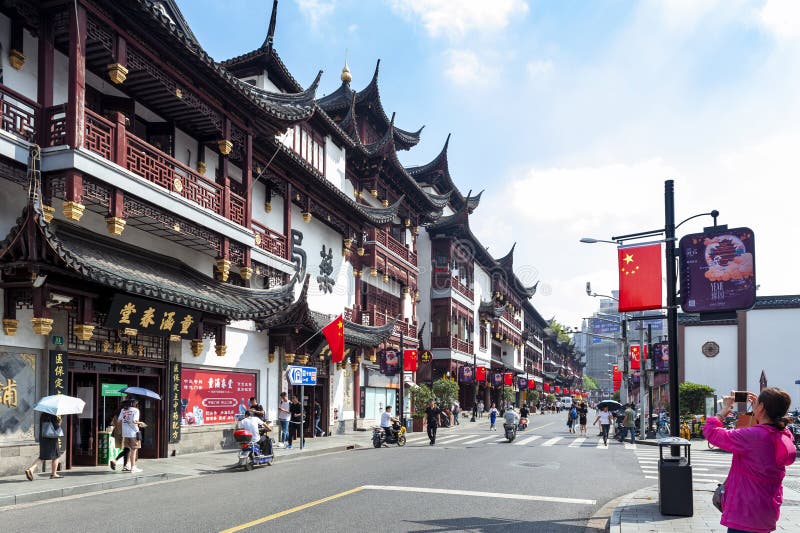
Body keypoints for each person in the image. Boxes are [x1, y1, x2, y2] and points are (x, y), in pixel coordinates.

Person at [704, 388, 796, 533]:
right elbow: (765, 427)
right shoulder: (785, 434)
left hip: (744, 513)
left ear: (762, 407)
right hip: (767, 511)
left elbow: (711, 432)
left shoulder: (753, 436)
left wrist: (724, 411)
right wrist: (758, 412)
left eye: (757, 403)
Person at [25, 412, 63, 480]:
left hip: (43, 437)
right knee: (56, 455)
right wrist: (59, 422)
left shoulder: (43, 414)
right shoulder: (53, 415)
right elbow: (56, 427)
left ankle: (31, 469)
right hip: (51, 438)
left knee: (43, 456)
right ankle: (54, 474)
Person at [119, 399, 143, 472]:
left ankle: (127, 465)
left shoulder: (123, 410)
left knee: (128, 448)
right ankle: (133, 467)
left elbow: (119, 420)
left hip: (125, 433)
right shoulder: (136, 410)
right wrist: (140, 423)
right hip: (133, 433)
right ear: (133, 404)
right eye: (136, 403)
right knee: (134, 450)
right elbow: (134, 421)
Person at [109, 400, 130, 471]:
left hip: (118, 433)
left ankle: (124, 465)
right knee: (127, 449)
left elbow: (112, 423)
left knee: (126, 449)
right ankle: (116, 461)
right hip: (124, 433)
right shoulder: (124, 412)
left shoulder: (117, 413)